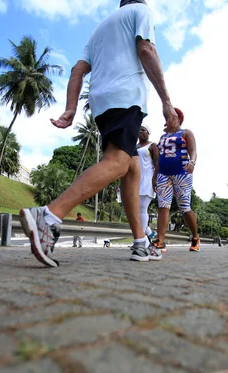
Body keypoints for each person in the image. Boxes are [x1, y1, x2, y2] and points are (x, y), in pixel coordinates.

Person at [19, 0, 180, 267]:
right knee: (118, 160)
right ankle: (48, 216)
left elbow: (77, 70)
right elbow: (146, 49)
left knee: (131, 165)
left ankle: (140, 242)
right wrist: (166, 100)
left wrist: (70, 109)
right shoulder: (141, 12)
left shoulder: (99, 30)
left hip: (101, 104)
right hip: (126, 97)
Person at [152, 108, 200, 252]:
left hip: (182, 173)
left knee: (184, 207)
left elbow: (193, 150)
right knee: (163, 205)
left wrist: (192, 162)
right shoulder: (162, 137)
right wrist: (155, 176)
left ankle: (195, 237)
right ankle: (160, 241)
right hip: (164, 174)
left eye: (169, 117)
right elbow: (160, 159)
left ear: (178, 118)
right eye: (165, 117)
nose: (166, 120)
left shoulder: (186, 132)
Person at [137, 125, 158, 240]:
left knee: (142, 208)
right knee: (134, 210)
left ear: (148, 133)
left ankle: (141, 239)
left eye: (143, 130)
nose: (140, 132)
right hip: (136, 179)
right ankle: (149, 232)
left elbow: (157, 163)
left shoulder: (152, 145)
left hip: (148, 179)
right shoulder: (134, 147)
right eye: (138, 130)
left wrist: (154, 179)